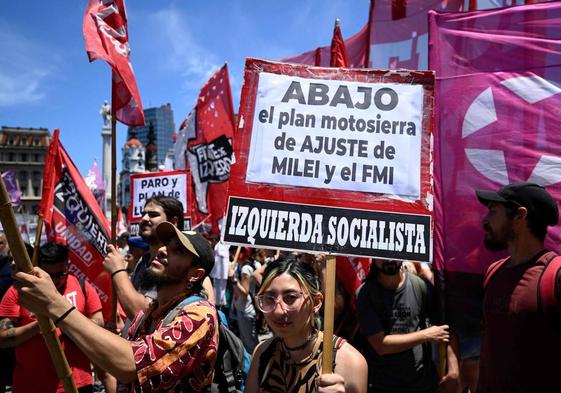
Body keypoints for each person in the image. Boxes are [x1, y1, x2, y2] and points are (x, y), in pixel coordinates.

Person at [13, 221, 219, 392]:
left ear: (195, 274)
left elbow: (132, 364)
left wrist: (55, 305)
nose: (164, 250)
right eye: (167, 243)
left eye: (178, 250)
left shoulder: (199, 315)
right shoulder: (152, 310)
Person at [475, 182, 561, 393]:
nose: (485, 220)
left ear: (520, 216)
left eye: (493, 212)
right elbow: (489, 349)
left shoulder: (555, 275)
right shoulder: (493, 272)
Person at [245, 256, 368, 393]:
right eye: (269, 298)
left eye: (290, 298)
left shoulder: (350, 362)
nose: (278, 311)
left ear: (316, 302)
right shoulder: (262, 353)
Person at [0, 242, 103, 393]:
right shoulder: (20, 291)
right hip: (31, 385)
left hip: (78, 383)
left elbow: (99, 322)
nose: (56, 280)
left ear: (67, 266)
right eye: (51, 275)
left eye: (61, 274)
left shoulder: (82, 286)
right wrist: (42, 324)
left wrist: (69, 321)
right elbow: (3, 339)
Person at [356, 259, 460, 393]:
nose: (389, 259)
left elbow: (446, 328)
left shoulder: (421, 285)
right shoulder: (365, 293)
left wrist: (453, 371)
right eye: (383, 256)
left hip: (422, 384)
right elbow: (381, 345)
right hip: (382, 386)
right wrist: (426, 335)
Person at [104, 195, 185, 320]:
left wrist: (118, 271)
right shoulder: (143, 261)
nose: (144, 218)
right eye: (143, 214)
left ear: (173, 222)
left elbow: (142, 316)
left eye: (153, 214)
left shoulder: (175, 264)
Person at [229, 247, 260, 352]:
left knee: (250, 346)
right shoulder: (241, 265)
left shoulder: (245, 269)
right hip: (242, 309)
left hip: (246, 310)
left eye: (234, 251)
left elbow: (244, 292)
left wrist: (233, 280)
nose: (233, 254)